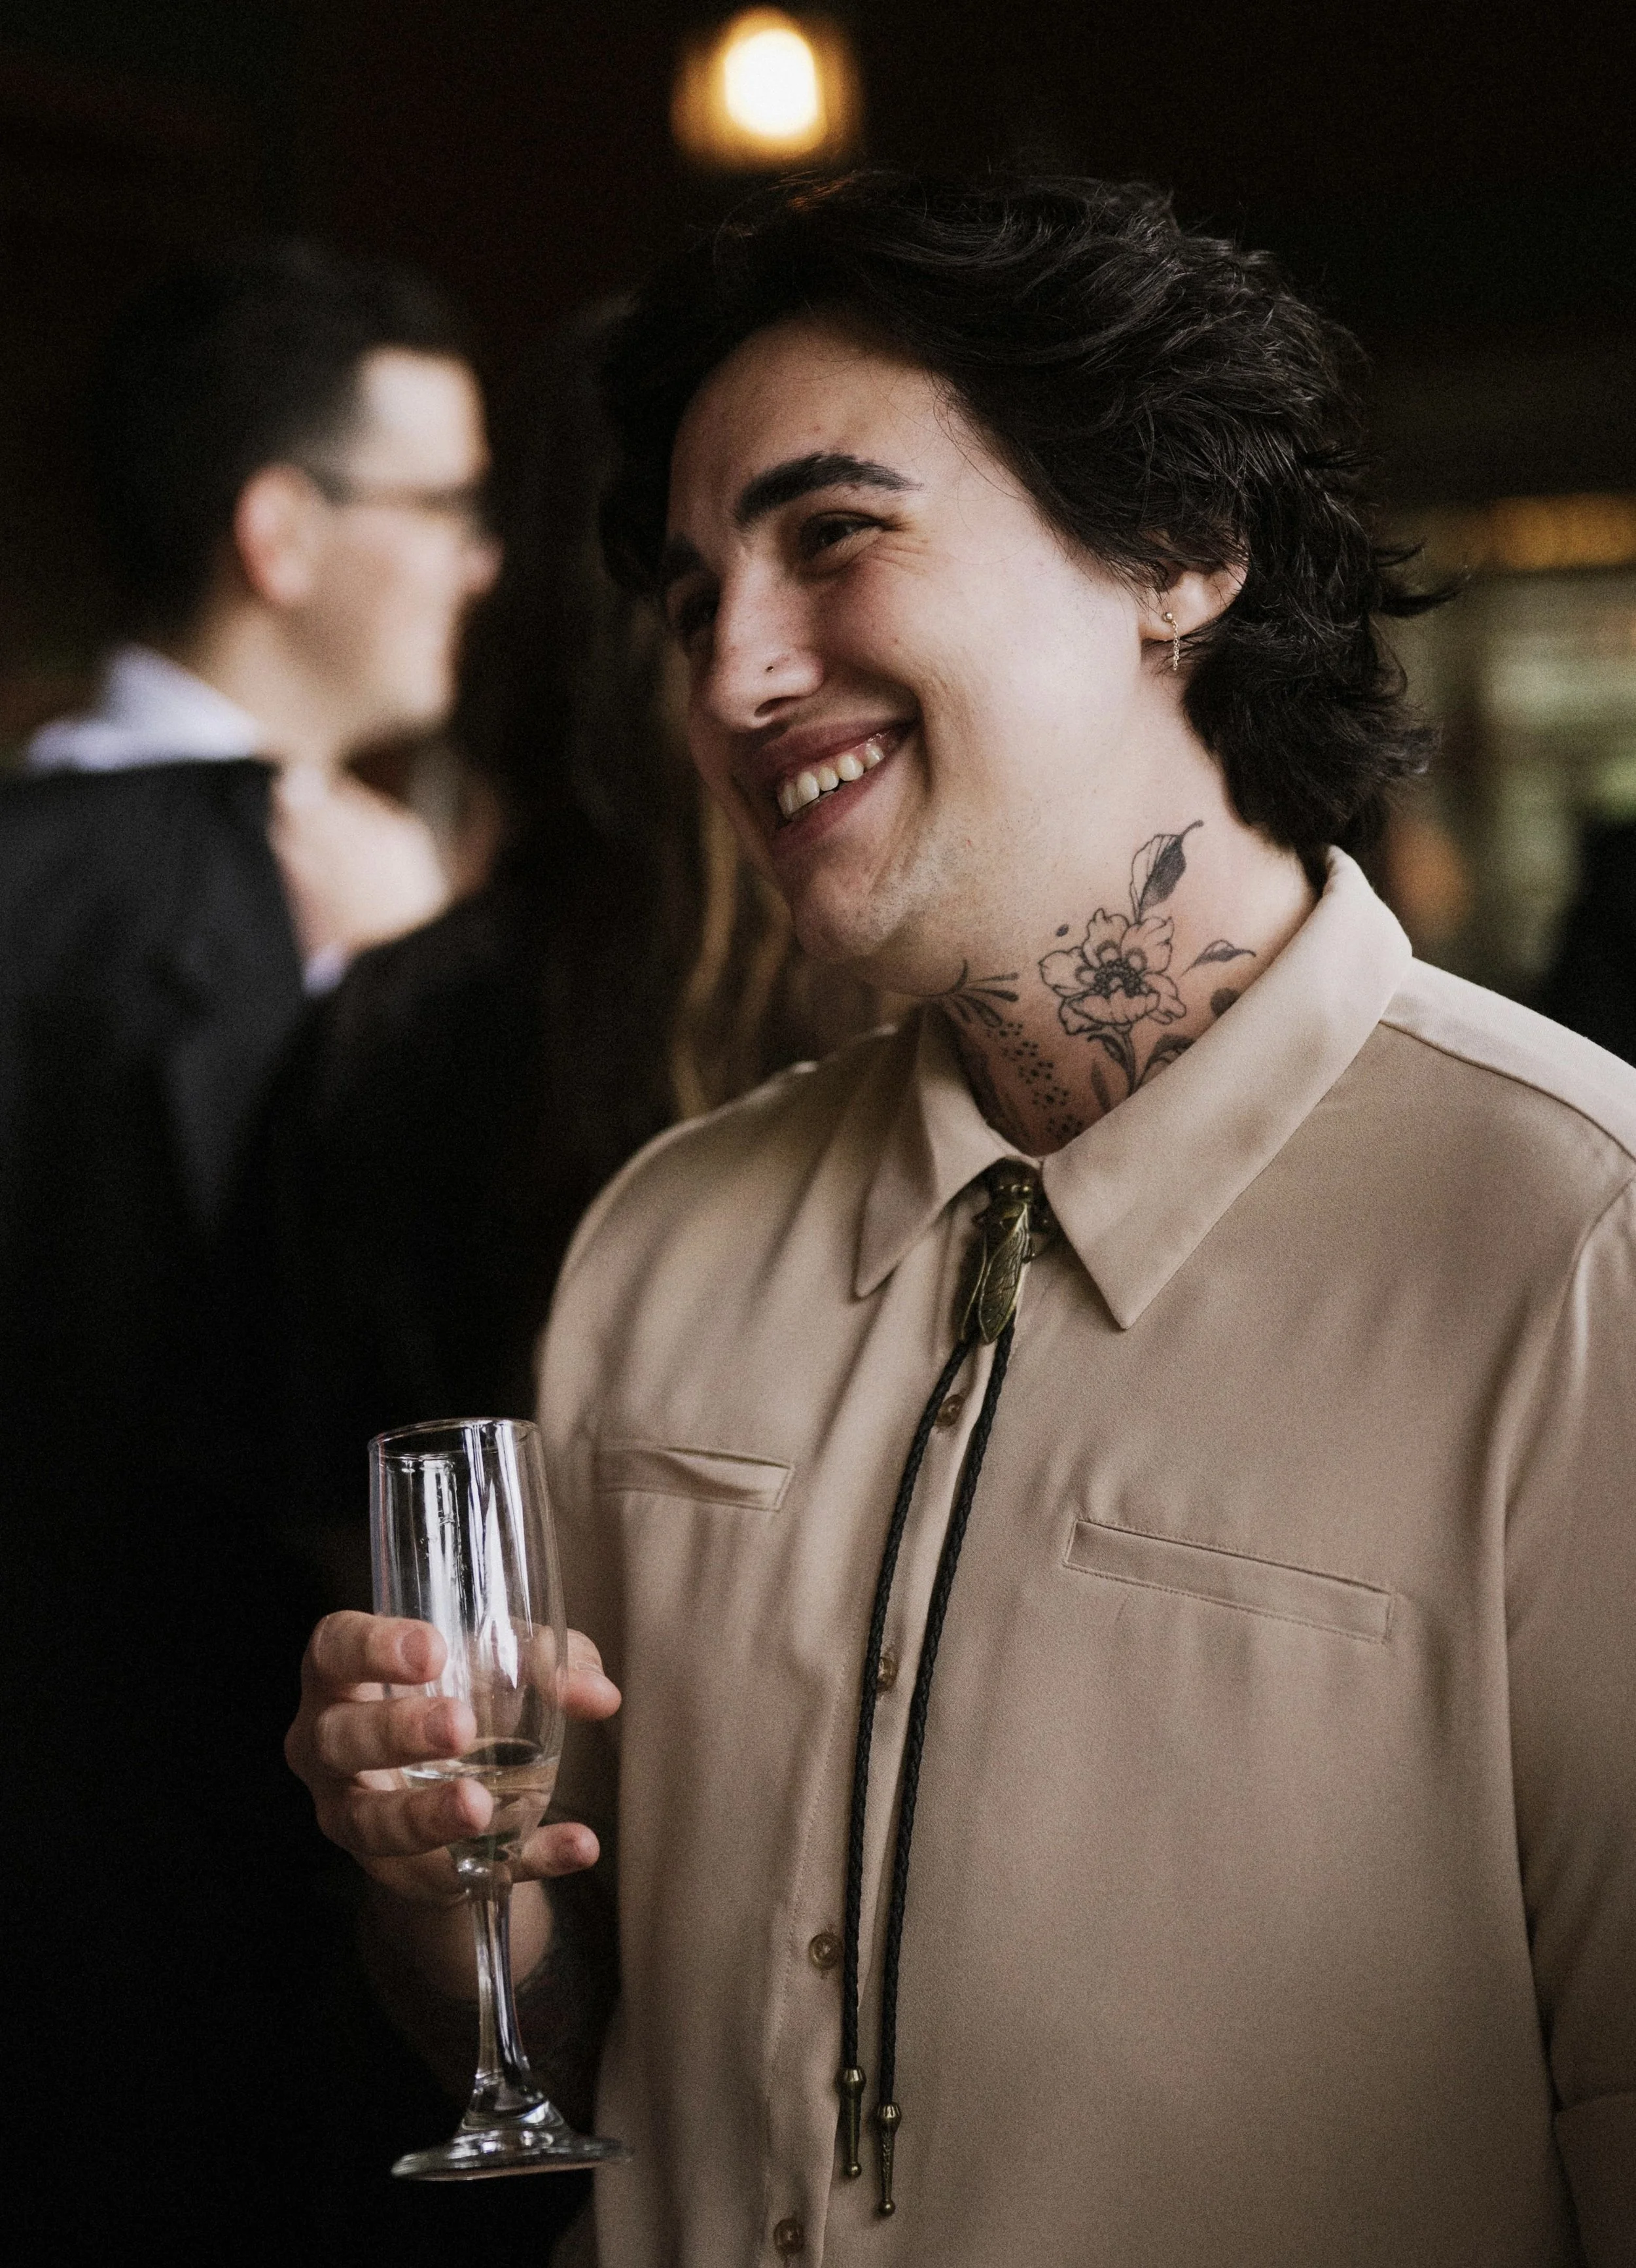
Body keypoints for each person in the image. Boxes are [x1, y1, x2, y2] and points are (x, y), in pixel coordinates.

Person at [287, 173, 1636, 2265]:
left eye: (832, 536)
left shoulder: (1567, 1244)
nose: (733, 672)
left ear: (1180, 552)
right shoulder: (663, 1239)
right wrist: (461, 1898)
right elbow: (562, 2032)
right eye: (685, 596)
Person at [0, 240, 495, 2248]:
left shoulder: (36, 847)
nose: (477, 565)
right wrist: (418, 979)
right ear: (281, 532)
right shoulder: (265, 902)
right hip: (218, 1894)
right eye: (446, 509)